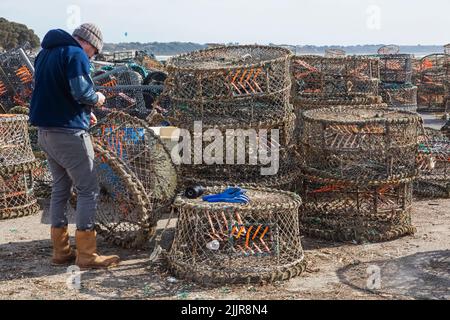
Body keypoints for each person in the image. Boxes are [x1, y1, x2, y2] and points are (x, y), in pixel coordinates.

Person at [29, 23, 120, 269]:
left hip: (45, 133)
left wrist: (81, 112)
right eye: (95, 53)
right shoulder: (76, 54)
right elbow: (81, 91)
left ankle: (61, 251)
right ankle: (87, 255)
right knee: (88, 188)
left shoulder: (45, 54)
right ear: (89, 43)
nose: (93, 57)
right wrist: (97, 99)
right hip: (69, 135)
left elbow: (51, 91)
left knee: (60, 187)